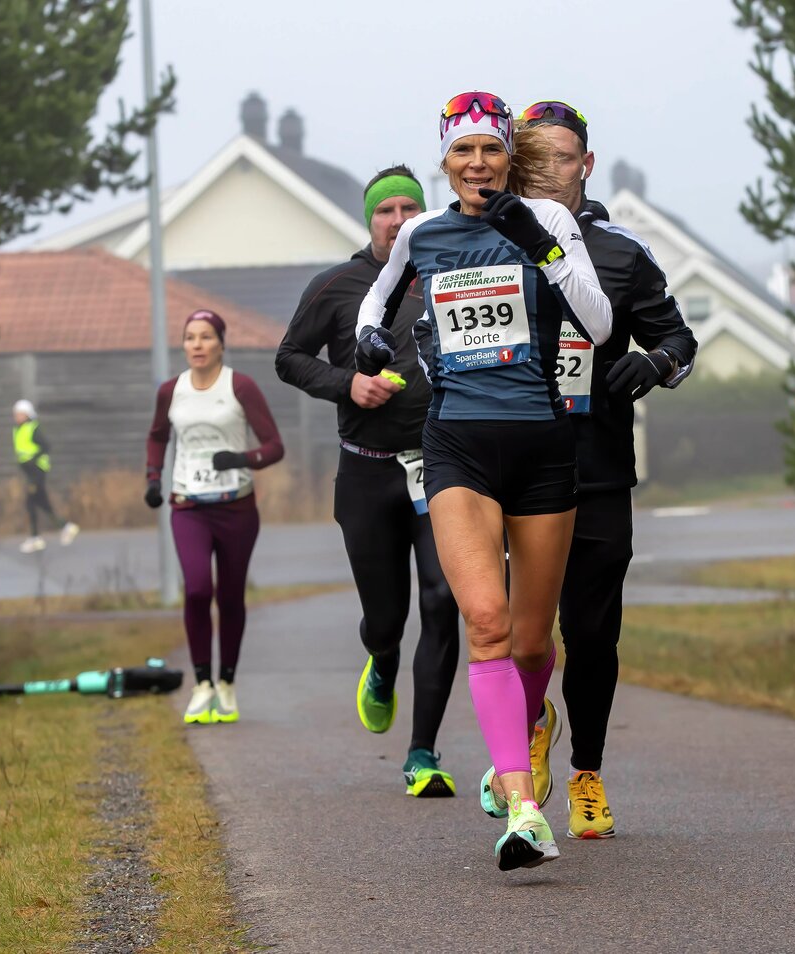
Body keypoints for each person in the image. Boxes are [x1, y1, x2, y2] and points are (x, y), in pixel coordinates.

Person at [354, 91, 612, 870]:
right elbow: (378, 293)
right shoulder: (424, 233)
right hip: (457, 446)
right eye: (462, 151)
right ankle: (523, 807)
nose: (477, 163)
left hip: (542, 448)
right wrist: (368, 336)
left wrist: (536, 243)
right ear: (446, 162)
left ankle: (526, 727)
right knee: (489, 623)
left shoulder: (551, 220)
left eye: (490, 149)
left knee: (534, 645)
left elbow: (599, 325)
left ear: (508, 156)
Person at [510, 100, 697, 838]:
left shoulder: (621, 252)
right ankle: (529, 727)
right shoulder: (485, 243)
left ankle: (586, 772)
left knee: (590, 635)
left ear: (586, 164)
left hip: (597, 470)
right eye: (534, 159)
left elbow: (679, 340)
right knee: (517, 631)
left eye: (561, 157)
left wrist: (654, 363)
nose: (547, 172)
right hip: (511, 473)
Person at [275, 165, 460, 799]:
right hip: (366, 472)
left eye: (410, 208)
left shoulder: (451, 276)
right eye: (387, 210)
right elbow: (288, 358)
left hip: (441, 468)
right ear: (371, 221)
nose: (399, 220)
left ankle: (423, 753)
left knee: (442, 600)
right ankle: (381, 663)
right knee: (387, 619)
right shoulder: (337, 285)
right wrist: (347, 383)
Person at [145, 309, 284, 725]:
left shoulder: (240, 386)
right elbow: (157, 436)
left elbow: (274, 446)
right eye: (190, 337)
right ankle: (202, 683)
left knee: (230, 596)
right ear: (183, 345)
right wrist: (153, 478)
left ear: (221, 344)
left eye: (206, 337)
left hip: (236, 507)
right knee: (197, 589)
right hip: (188, 506)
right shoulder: (171, 391)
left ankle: (226, 683)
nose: (198, 345)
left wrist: (241, 459)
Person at [12, 399, 79, 553]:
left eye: (19, 414)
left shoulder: (32, 429)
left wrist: (33, 459)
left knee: (30, 502)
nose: (16, 416)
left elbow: (46, 446)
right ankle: (66, 527)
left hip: (37, 472)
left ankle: (36, 538)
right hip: (29, 472)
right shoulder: (18, 429)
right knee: (42, 502)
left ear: (27, 414)